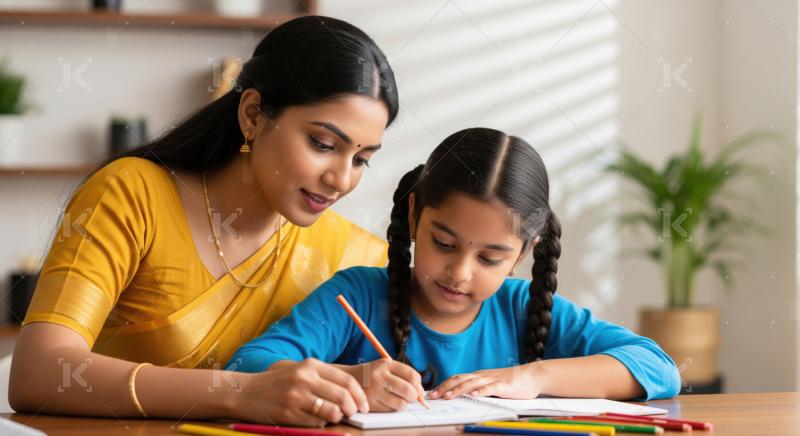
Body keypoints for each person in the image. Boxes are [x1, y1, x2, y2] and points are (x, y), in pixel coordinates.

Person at [10, 15, 398, 426]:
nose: (341, 180)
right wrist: (242, 392)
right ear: (252, 114)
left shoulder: (354, 256)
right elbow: (40, 372)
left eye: (361, 160)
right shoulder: (131, 196)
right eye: (322, 144)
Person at [227, 127, 682, 418]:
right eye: (443, 244)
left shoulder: (522, 308)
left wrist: (533, 377)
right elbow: (247, 366)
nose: (460, 273)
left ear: (525, 252)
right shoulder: (361, 294)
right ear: (413, 214)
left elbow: (659, 368)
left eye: (489, 258)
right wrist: (355, 380)